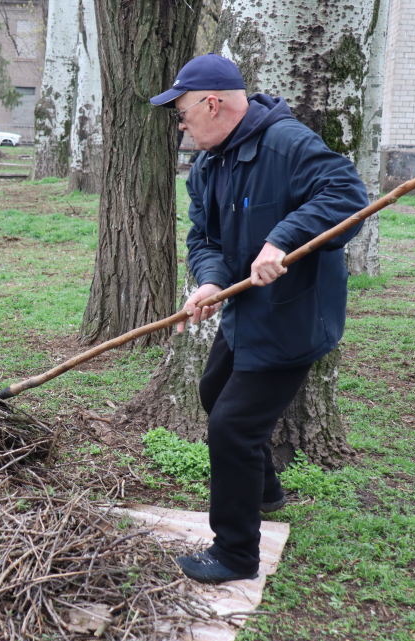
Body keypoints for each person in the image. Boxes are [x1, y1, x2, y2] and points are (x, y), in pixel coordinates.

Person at [151, 53, 368, 584]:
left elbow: (347, 194)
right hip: (247, 312)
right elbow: (204, 238)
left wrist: (281, 240)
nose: (179, 125)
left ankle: (235, 553)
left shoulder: (286, 144)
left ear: (211, 102)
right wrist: (209, 281)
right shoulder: (207, 165)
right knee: (212, 393)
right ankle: (266, 490)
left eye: (181, 112)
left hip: (291, 318)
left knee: (231, 426)